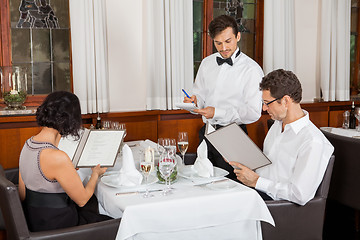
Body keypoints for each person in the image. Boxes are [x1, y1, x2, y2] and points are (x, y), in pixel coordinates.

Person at [229, 69, 334, 205]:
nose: (264, 109)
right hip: (258, 193)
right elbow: (269, 168)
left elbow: (300, 194)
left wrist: (256, 181)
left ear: (285, 101)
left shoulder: (312, 141)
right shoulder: (277, 125)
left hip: (278, 206)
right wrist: (240, 160)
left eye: (267, 103)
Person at [19, 91, 112, 232]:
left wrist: (62, 176)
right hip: (59, 227)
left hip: (35, 222)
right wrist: (95, 174)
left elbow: (22, 193)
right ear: (70, 119)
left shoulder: (27, 145)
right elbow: (82, 200)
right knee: (116, 222)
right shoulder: (57, 157)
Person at [184, 15, 263, 179]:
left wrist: (217, 112)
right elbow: (200, 96)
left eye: (228, 41)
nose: (223, 47)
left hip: (233, 136)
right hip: (206, 132)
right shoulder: (206, 63)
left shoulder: (252, 70)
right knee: (203, 181)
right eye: (218, 43)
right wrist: (194, 102)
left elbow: (253, 112)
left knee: (232, 186)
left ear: (238, 36)